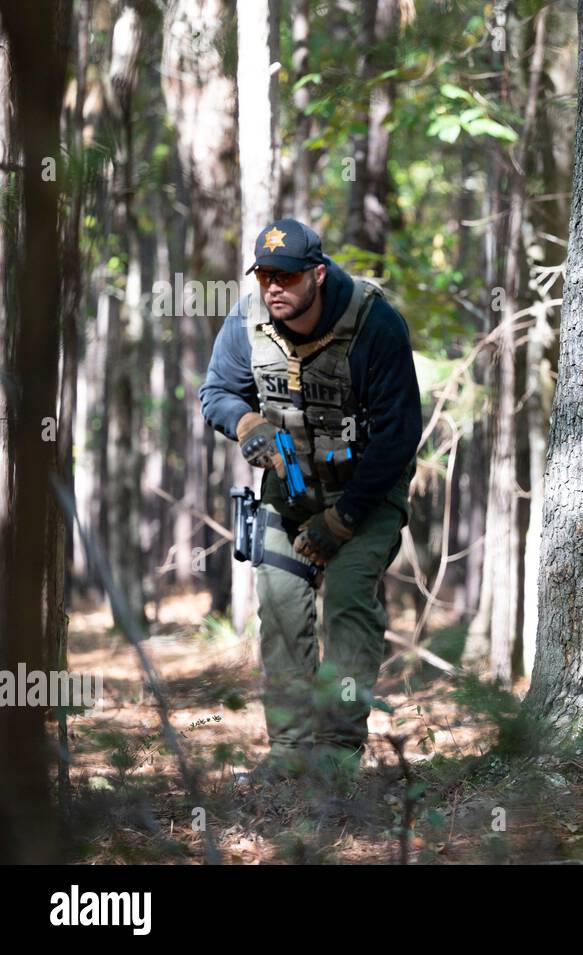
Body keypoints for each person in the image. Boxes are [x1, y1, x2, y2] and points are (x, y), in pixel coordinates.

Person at [200, 218, 422, 785]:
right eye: (265, 274)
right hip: (289, 490)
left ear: (317, 275)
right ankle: (290, 752)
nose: (273, 287)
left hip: (367, 493)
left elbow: (398, 436)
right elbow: (217, 393)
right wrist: (246, 421)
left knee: (347, 599)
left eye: (287, 276)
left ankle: (339, 752)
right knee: (278, 606)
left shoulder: (375, 324)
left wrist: (343, 520)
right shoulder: (246, 320)